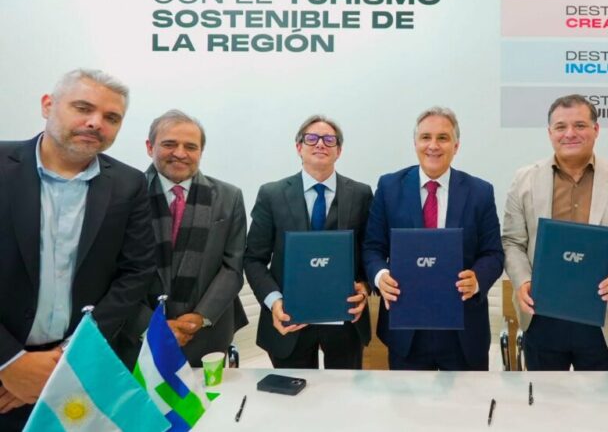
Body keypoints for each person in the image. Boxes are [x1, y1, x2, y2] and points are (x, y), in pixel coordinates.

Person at [0, 69, 155, 430]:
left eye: (111, 117)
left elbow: (136, 273)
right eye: (83, 108)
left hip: (80, 366)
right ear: (47, 105)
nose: (96, 122)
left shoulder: (129, 184)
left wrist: (71, 355)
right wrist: (10, 362)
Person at [502, 94, 608, 371]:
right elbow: (513, 242)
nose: (570, 133)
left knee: (604, 399)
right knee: (545, 397)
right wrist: (523, 279)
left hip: (605, 317)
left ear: (596, 129)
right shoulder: (524, 179)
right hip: (542, 314)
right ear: (550, 133)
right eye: (561, 127)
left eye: (580, 125)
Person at [363, 106, 504, 370]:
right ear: (415, 143)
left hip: (463, 330)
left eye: (443, 138)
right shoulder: (389, 187)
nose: (433, 146)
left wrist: (477, 279)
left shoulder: (480, 192)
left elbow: (493, 253)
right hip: (406, 329)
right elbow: (372, 248)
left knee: (467, 398)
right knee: (406, 399)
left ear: (456, 146)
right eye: (426, 137)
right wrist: (381, 276)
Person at [244, 115, 372, 369]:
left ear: (339, 150)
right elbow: (254, 259)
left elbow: (370, 250)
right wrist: (274, 301)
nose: (320, 144)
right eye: (311, 138)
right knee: (293, 393)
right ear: (298, 147)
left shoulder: (361, 194)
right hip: (288, 319)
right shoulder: (271, 194)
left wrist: (365, 286)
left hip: (345, 321)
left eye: (329, 139)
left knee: (344, 392)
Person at [123, 110, 248, 367]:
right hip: (138, 334)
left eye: (190, 147)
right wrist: (151, 324)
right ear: (150, 147)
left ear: (201, 151)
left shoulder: (229, 197)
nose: (180, 153)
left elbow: (232, 267)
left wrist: (200, 317)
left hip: (206, 332)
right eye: (169, 144)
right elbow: (111, 271)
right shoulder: (124, 195)